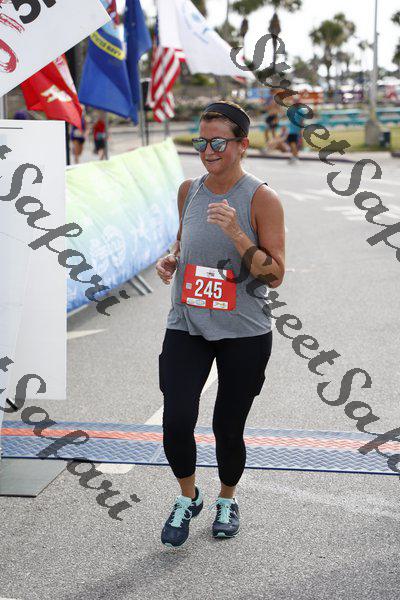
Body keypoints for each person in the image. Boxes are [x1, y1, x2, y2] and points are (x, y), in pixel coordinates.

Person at [155, 100, 285, 548]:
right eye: (201, 142)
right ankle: (188, 496)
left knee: (227, 428)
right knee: (176, 419)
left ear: (242, 145)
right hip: (186, 322)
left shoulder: (261, 198)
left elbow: (274, 274)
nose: (208, 151)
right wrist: (172, 258)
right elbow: (182, 240)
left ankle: (227, 499)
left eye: (218, 143)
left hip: (244, 331)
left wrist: (236, 233)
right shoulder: (188, 190)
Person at [285, 95, 307, 164]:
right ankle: (295, 156)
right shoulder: (300, 110)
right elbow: (302, 121)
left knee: (293, 143)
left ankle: (295, 156)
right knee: (294, 143)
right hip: (295, 129)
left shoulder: (292, 109)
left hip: (293, 130)